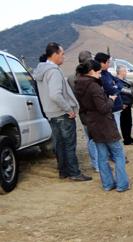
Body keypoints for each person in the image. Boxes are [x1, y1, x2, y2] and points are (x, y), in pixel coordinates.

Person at [33, 42, 92, 181]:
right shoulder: (53, 71)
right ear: (54, 55)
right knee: (69, 145)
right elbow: (55, 94)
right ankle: (74, 173)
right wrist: (68, 109)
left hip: (51, 114)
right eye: (62, 54)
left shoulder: (41, 70)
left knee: (59, 144)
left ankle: (63, 171)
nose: (63, 56)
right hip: (62, 113)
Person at [74, 60, 129, 192]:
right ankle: (122, 184)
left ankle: (107, 184)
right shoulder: (94, 87)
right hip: (105, 125)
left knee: (102, 157)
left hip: (93, 125)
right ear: (92, 71)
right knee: (118, 154)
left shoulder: (79, 85)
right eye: (99, 72)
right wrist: (111, 99)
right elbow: (103, 108)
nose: (100, 75)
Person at [69, 50, 99, 172]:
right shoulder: (89, 77)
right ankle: (98, 164)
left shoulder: (71, 78)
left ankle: (96, 163)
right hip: (92, 112)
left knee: (90, 138)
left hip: (82, 113)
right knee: (94, 139)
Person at [94, 52, 124, 133]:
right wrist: (116, 87)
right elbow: (111, 90)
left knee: (117, 131)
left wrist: (116, 86)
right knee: (114, 132)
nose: (109, 64)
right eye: (107, 62)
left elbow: (119, 81)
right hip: (111, 108)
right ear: (101, 63)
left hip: (116, 106)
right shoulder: (101, 76)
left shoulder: (107, 73)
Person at [115, 65, 133, 145]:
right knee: (124, 123)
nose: (126, 72)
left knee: (129, 123)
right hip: (123, 106)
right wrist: (121, 104)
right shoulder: (117, 81)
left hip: (127, 105)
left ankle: (129, 137)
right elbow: (119, 93)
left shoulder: (124, 81)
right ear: (120, 72)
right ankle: (126, 140)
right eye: (124, 71)